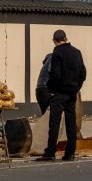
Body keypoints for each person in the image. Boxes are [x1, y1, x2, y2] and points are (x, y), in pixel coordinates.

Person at [36, 29, 86, 162]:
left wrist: (52, 89)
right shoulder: (77, 52)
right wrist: (76, 87)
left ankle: (50, 152)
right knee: (71, 123)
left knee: (54, 123)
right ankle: (70, 153)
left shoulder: (57, 52)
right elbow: (83, 74)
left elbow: (55, 74)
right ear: (66, 38)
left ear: (54, 41)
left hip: (60, 93)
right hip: (72, 93)